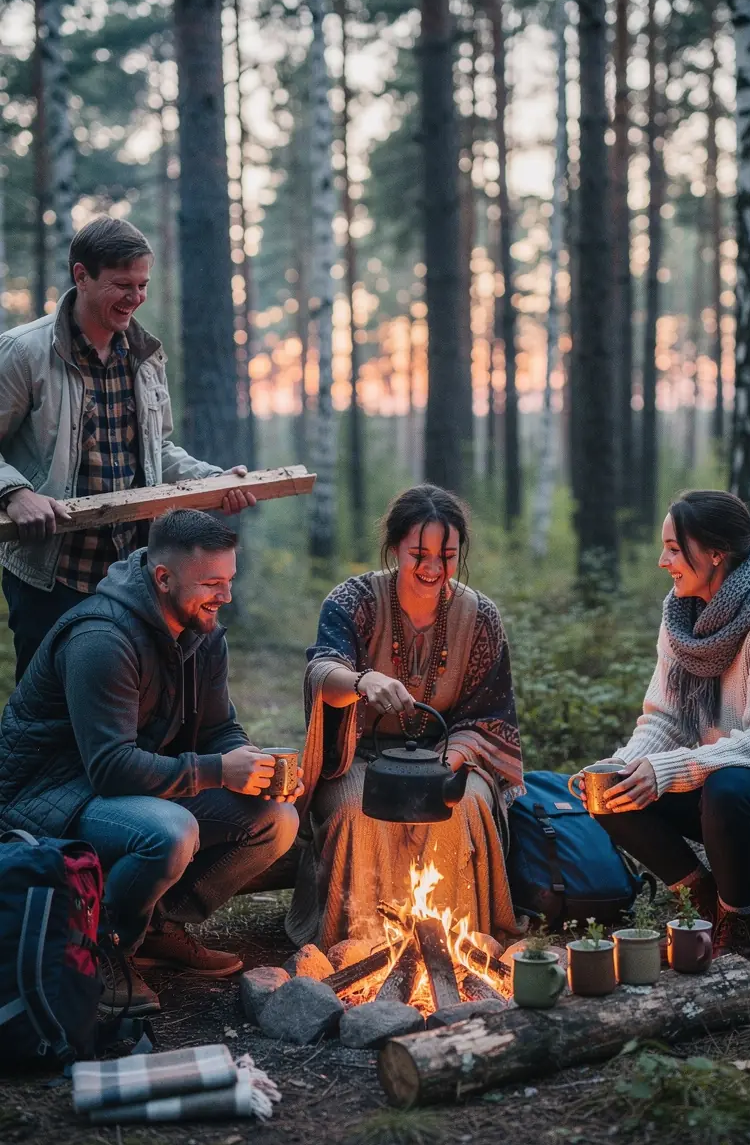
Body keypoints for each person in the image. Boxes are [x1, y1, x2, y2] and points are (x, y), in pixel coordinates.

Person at [0, 510, 301, 1015]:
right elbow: (111, 769)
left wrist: (248, 762)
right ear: (163, 578)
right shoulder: (102, 639)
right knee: (170, 832)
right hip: (50, 797)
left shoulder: (203, 629)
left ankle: (157, 928)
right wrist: (215, 771)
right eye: (211, 583)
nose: (224, 597)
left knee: (277, 821)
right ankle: (106, 949)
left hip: (129, 788)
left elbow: (217, 729)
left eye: (229, 581)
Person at [0, 216, 256, 681]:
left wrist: (212, 480)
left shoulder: (144, 356)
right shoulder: (24, 353)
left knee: (133, 704)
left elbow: (159, 451)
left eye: (142, 285)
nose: (136, 298)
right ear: (81, 276)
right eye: (122, 285)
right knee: (48, 711)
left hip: (137, 572)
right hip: (54, 576)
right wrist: (16, 494)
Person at [577, 490, 750, 964]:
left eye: (672, 548)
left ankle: (741, 923)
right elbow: (665, 718)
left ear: (714, 554)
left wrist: (667, 770)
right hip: (732, 788)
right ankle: (704, 898)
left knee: (728, 788)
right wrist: (620, 766)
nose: (662, 561)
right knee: (610, 788)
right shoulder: (683, 620)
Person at [287, 484, 524, 951]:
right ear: (395, 547)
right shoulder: (354, 600)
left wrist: (445, 765)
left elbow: (488, 715)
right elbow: (323, 668)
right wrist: (360, 681)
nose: (433, 567)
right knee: (360, 809)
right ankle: (355, 942)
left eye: (447, 555)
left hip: (447, 754)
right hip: (359, 756)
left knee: (464, 805)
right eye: (419, 553)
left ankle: (456, 942)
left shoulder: (480, 617)